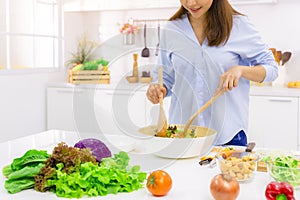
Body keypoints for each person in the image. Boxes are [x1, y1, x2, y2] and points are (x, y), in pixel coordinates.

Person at [146, 0, 278, 146]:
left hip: (228, 136)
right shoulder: (172, 29)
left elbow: (272, 68)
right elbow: (164, 76)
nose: (191, 3)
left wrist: (241, 70)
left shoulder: (239, 26)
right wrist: (158, 89)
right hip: (182, 135)